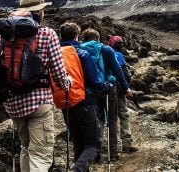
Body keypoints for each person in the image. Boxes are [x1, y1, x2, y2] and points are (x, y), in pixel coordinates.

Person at [0, 0, 71, 172]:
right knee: (40, 154)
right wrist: (67, 83)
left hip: (13, 104)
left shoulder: (1, 36)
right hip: (39, 102)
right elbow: (58, 72)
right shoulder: (47, 34)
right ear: (39, 12)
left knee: (25, 147)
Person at [58, 22, 113, 172]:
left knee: (78, 143)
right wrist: (107, 86)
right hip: (85, 102)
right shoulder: (82, 53)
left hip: (66, 103)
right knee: (92, 144)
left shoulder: (57, 54)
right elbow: (95, 82)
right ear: (76, 36)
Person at [81, 28, 131, 162]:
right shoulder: (107, 50)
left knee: (98, 120)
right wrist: (126, 87)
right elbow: (117, 70)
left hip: (92, 90)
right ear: (98, 38)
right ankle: (112, 153)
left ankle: (95, 153)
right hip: (109, 88)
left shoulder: (81, 50)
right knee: (112, 120)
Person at [108, 35, 138, 153]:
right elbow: (123, 74)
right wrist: (126, 88)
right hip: (119, 91)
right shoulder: (119, 56)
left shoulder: (104, 53)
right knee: (123, 114)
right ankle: (126, 144)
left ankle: (111, 147)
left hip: (108, 89)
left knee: (110, 118)